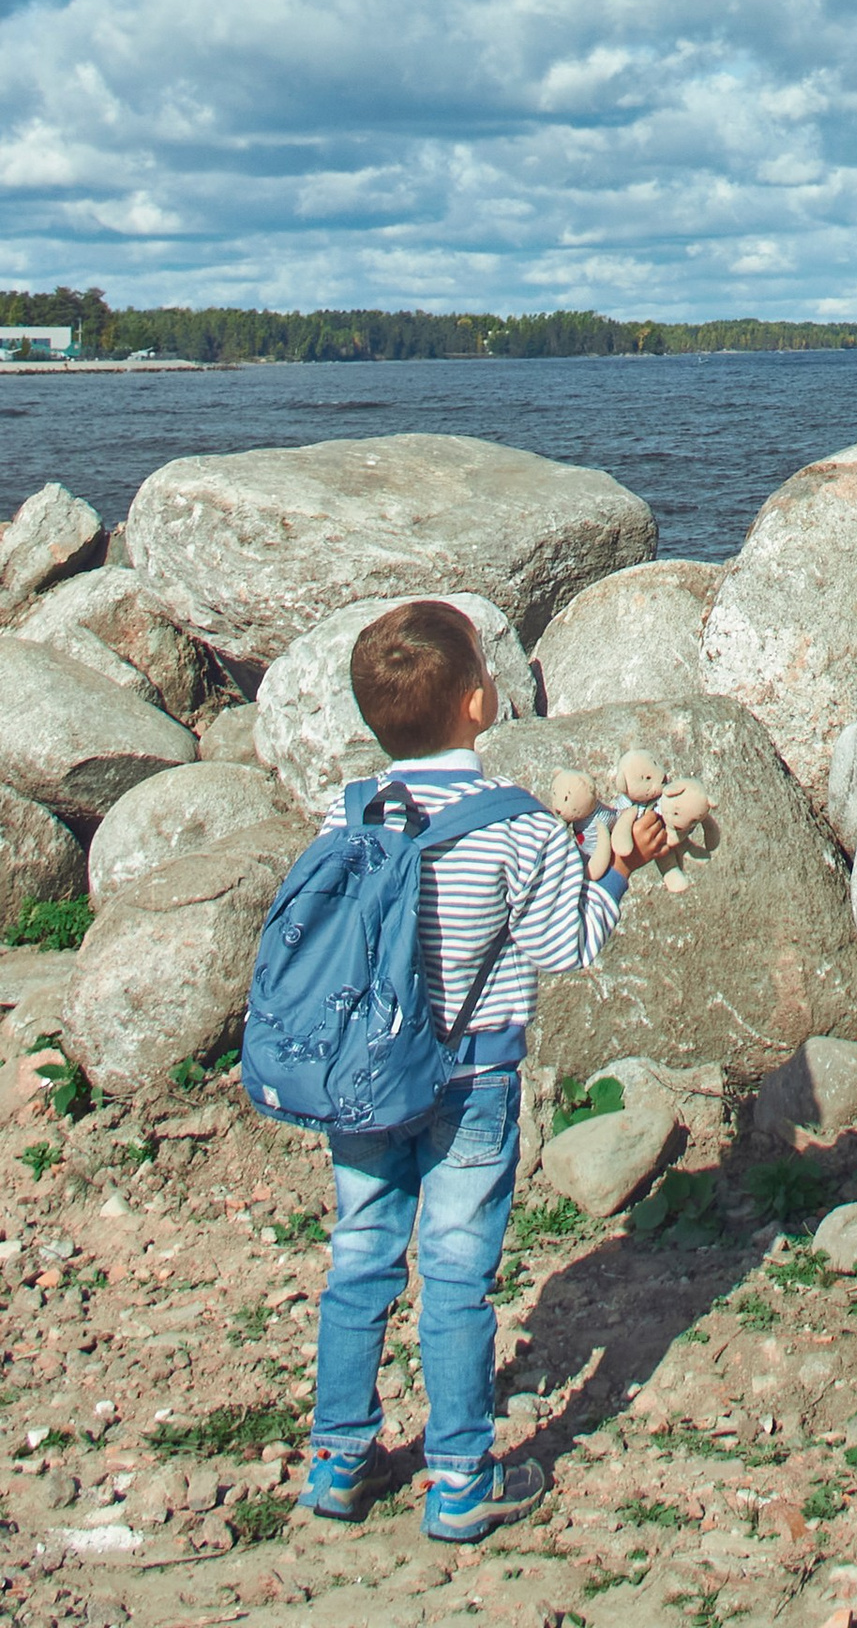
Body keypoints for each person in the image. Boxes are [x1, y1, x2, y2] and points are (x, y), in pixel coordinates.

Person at [301, 599, 673, 1543]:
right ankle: (461, 1479)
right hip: (471, 1081)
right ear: (477, 702)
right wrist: (618, 869)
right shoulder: (518, 827)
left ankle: (339, 1460)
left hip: (363, 1080)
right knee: (456, 1273)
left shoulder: (350, 811)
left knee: (360, 1256)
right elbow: (568, 945)